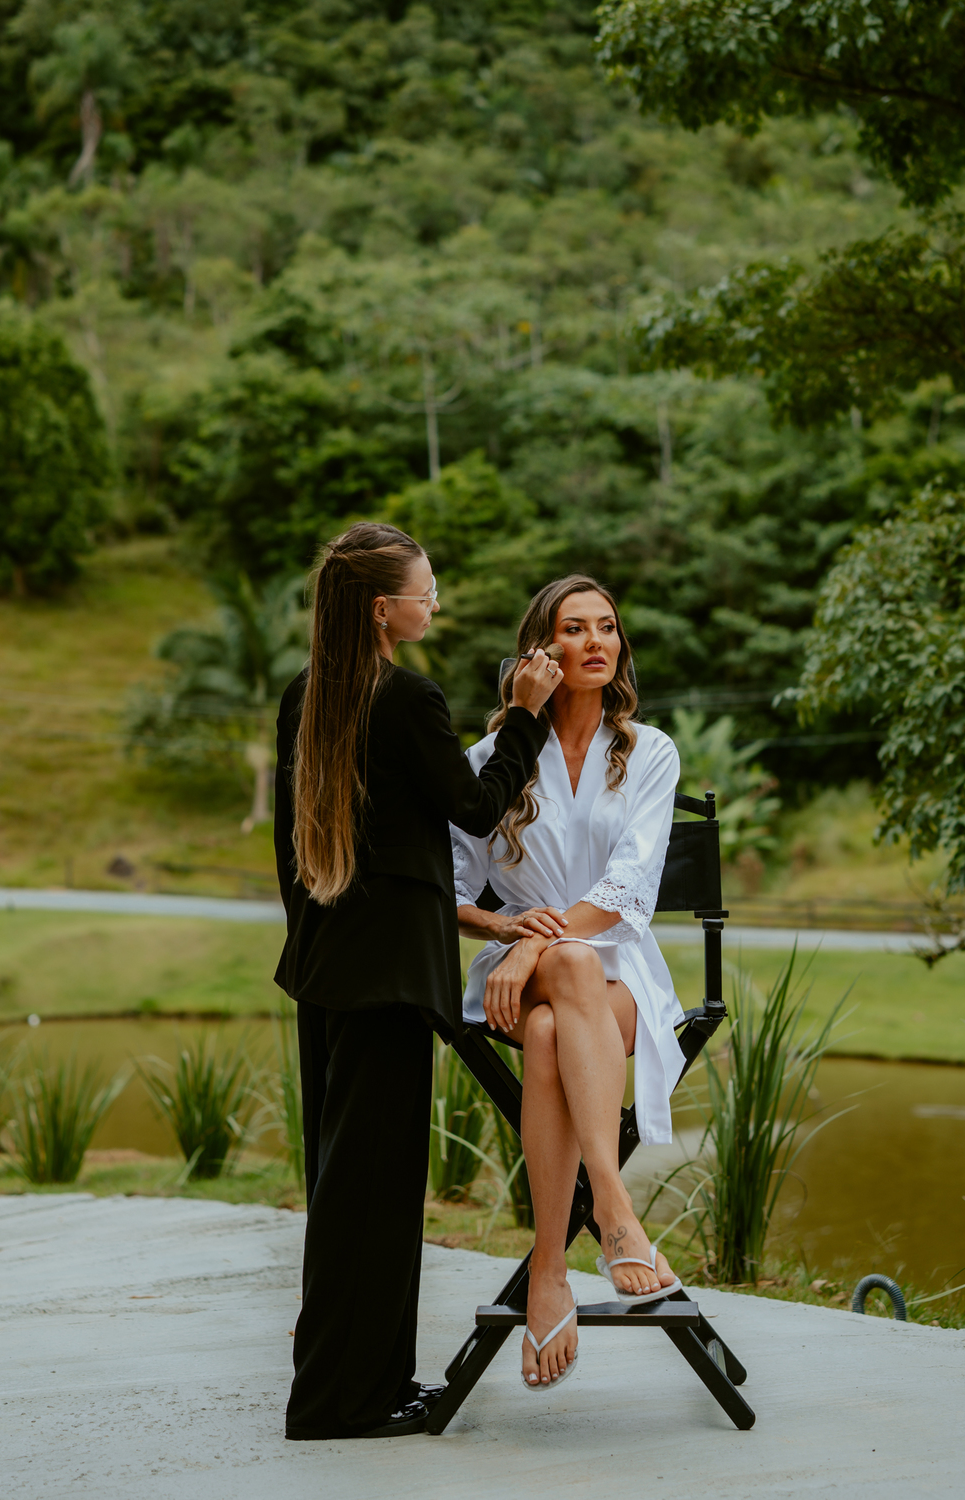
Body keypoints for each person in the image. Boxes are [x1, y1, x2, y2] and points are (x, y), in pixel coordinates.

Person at [273, 521, 561, 1440]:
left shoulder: (305, 696)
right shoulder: (406, 699)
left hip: (327, 971)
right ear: (381, 607)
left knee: (345, 1186)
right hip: (389, 979)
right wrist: (523, 716)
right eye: (426, 590)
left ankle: (357, 1389)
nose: (435, 602)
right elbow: (475, 806)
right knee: (378, 1193)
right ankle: (344, 1402)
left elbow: (293, 859)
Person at [452, 574, 684, 1392]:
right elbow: (447, 891)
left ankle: (549, 1269)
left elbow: (629, 890)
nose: (594, 641)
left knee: (560, 1012)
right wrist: (511, 933)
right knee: (563, 973)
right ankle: (617, 1216)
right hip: (517, 971)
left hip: (616, 969)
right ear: (539, 650)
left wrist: (539, 945)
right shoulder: (491, 759)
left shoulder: (649, 752)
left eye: (607, 628)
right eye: (573, 628)